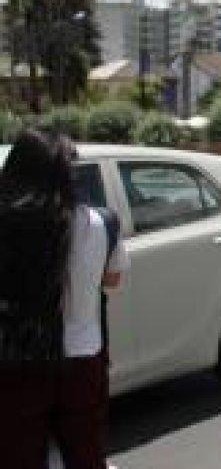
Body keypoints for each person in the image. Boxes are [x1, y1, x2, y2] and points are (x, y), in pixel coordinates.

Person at [0, 128, 131, 468]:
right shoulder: (102, 223)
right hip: (83, 361)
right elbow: (112, 280)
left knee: (18, 455)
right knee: (85, 454)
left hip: (17, 361)